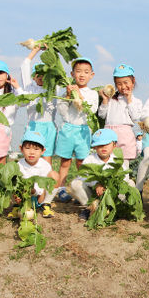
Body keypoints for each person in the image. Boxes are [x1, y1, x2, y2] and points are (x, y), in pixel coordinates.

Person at [54, 57, 98, 203]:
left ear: (91, 75)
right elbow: (62, 111)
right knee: (65, 162)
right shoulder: (66, 91)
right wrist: (68, 96)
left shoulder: (92, 94)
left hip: (83, 130)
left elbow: (91, 110)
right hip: (67, 128)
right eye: (78, 71)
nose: (82, 75)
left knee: (82, 162)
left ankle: (82, 187)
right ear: (72, 74)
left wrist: (79, 96)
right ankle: (61, 189)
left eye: (86, 72)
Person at [70, 129, 132, 221]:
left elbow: (125, 178)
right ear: (94, 147)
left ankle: (117, 208)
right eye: (99, 145)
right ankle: (88, 208)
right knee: (75, 184)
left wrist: (108, 186)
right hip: (93, 195)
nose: (103, 147)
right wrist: (96, 184)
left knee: (131, 184)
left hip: (112, 194)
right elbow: (82, 176)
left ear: (114, 145)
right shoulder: (89, 159)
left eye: (107, 144)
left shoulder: (118, 160)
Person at [18, 46, 57, 165]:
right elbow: (25, 65)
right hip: (33, 126)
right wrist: (36, 49)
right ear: (33, 77)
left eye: (44, 75)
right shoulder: (30, 88)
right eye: (38, 75)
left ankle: (47, 183)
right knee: (31, 157)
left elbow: (56, 66)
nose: (41, 78)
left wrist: (51, 50)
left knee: (47, 157)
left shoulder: (53, 88)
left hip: (49, 126)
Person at [98, 64, 142, 165]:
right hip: (109, 133)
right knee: (107, 163)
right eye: (119, 84)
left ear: (133, 81)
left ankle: (125, 181)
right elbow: (102, 115)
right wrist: (105, 100)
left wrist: (129, 99)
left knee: (123, 163)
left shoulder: (136, 101)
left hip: (125, 135)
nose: (123, 87)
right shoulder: (111, 99)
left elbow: (135, 117)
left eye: (125, 83)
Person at [9, 131, 60, 218]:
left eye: (36, 149)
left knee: (54, 175)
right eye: (28, 148)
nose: (32, 152)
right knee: (10, 178)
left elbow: (42, 187)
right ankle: (16, 206)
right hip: (22, 197)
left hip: (40, 197)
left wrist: (34, 192)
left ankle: (46, 204)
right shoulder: (18, 165)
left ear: (42, 151)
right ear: (21, 149)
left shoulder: (45, 165)